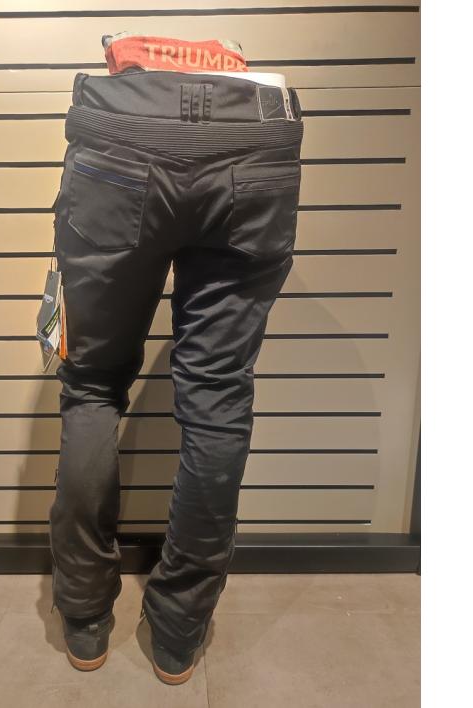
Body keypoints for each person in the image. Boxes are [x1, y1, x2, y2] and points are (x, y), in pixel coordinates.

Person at [47, 68, 303, 685]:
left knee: (92, 386)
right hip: (255, 146)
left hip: (118, 141)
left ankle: (85, 616)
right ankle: (177, 632)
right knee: (217, 398)